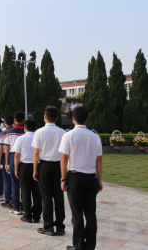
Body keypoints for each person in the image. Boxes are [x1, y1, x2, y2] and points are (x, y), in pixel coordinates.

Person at [59, 106, 103, 250]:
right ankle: (90, 245)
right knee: (90, 213)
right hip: (91, 178)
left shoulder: (68, 136)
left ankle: (78, 245)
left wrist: (63, 179)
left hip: (75, 178)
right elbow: (99, 161)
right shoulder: (95, 137)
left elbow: (64, 159)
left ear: (73, 118)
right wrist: (99, 181)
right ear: (87, 119)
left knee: (77, 214)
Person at [33, 106, 67, 236]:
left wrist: (35, 169)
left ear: (44, 117)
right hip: (59, 166)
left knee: (46, 196)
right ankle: (59, 226)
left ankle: (48, 226)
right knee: (58, 196)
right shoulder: (63, 132)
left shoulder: (39, 132)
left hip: (45, 166)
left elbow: (36, 152)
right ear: (57, 118)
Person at [12, 119, 42, 223]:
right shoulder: (39, 138)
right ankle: (37, 215)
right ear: (36, 128)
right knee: (37, 192)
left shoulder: (20, 139)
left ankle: (27, 215)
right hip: (37, 166)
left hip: (24, 167)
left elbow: (16, 155)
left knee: (25, 192)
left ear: (24, 128)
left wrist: (16, 169)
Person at [3, 111, 26, 214]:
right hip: (25, 158)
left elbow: (7, 149)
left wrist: (6, 162)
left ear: (14, 120)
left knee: (14, 183)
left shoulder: (10, 132)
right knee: (25, 184)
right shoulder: (27, 131)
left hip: (13, 157)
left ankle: (16, 206)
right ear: (24, 120)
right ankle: (25, 205)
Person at [0, 114, 13, 209]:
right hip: (17, 156)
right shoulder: (21, 131)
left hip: (6, 156)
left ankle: (8, 200)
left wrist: (0, 161)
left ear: (4, 122)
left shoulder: (3, 133)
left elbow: (1, 149)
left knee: (7, 180)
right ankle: (15, 200)